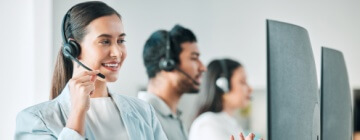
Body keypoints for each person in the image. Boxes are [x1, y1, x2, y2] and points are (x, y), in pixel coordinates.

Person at [15, 1, 167, 140]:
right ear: (73, 48)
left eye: (120, 41)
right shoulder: (35, 121)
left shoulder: (144, 112)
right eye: (105, 41)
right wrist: (77, 113)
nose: (117, 53)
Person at [139, 24, 206, 140]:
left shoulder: (173, 118)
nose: (202, 67)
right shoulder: (142, 118)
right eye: (194, 58)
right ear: (167, 64)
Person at [189, 59, 257, 140]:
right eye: (242, 82)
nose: (250, 89)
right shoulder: (208, 124)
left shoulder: (231, 123)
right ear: (223, 86)